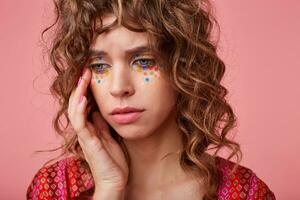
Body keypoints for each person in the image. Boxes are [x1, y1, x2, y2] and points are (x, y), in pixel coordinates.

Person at [26, 0, 276, 199]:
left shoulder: (246, 193)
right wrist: (109, 190)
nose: (118, 87)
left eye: (143, 61)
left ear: (184, 68)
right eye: (99, 65)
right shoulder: (55, 190)